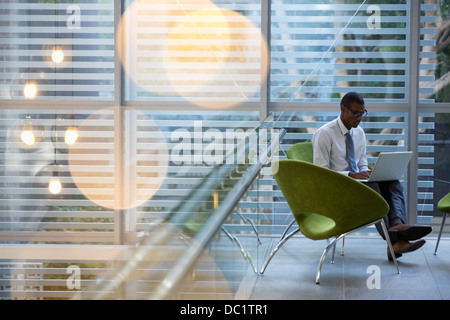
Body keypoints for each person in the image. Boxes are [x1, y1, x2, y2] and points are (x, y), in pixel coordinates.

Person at [311, 92, 432, 260]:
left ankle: (397, 224)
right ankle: (394, 241)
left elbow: (361, 163)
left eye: (363, 113)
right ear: (342, 109)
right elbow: (320, 174)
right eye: (356, 113)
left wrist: (367, 172)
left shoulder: (359, 133)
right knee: (373, 188)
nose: (360, 118)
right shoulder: (324, 134)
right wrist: (351, 175)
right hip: (337, 190)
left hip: (358, 185)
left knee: (392, 181)